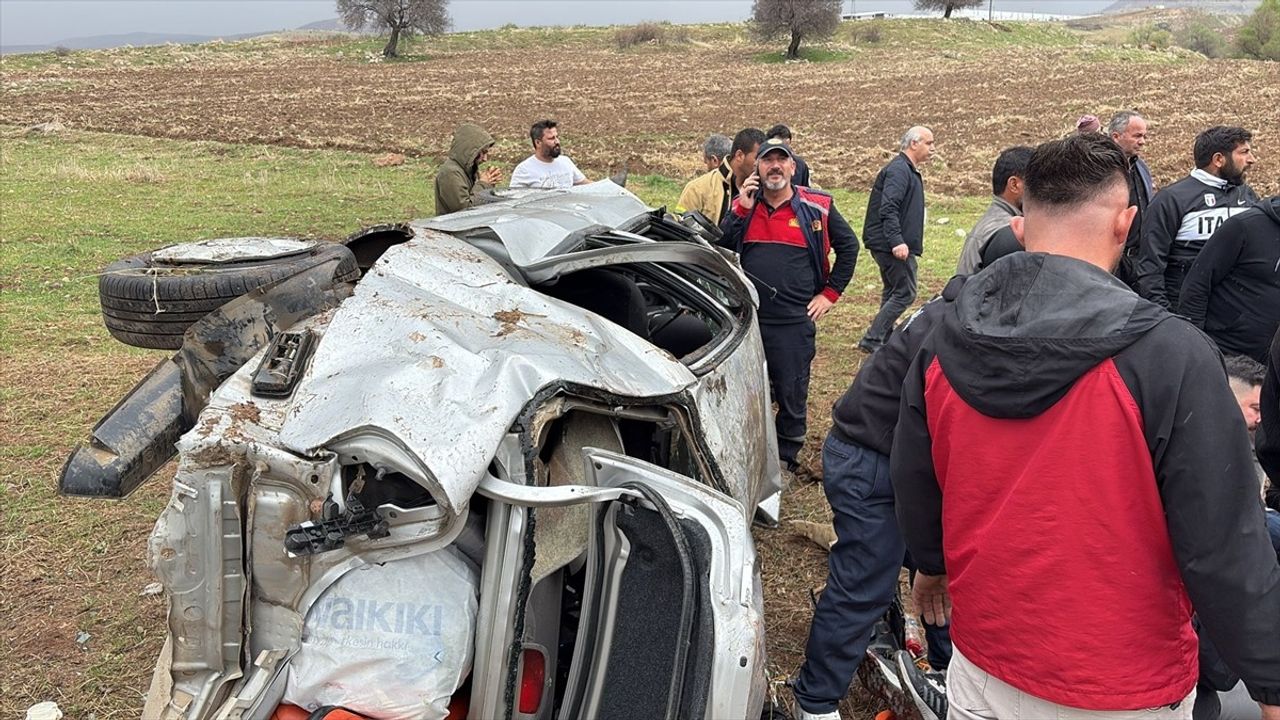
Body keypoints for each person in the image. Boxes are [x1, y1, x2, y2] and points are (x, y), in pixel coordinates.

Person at [891, 134, 1280, 720]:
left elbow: (916, 470)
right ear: (1126, 225)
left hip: (984, 662)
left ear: (1021, 226)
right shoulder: (1169, 356)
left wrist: (930, 561)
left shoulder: (941, 337)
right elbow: (1224, 541)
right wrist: (1270, 678)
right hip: (1120, 682)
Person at [791, 287, 957, 720]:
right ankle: (815, 702)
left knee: (943, 569)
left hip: (902, 456)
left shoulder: (958, 307)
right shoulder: (962, 331)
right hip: (871, 458)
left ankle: (945, 670)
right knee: (865, 584)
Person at [718, 138, 858, 475]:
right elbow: (719, 245)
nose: (775, 166)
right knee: (751, 388)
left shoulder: (818, 206)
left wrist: (829, 294)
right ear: (758, 168)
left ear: (793, 168)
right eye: (768, 161)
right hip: (748, 319)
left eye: (783, 160)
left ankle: (786, 455)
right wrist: (740, 208)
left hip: (794, 320)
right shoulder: (743, 207)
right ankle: (752, 447)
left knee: (792, 388)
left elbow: (849, 247)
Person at [1135, 125, 1258, 309]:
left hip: (1236, 317)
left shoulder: (1246, 195)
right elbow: (1150, 267)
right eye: (1244, 152)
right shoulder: (1171, 200)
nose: (1252, 160)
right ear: (1218, 159)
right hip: (1186, 314)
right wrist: (1166, 318)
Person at [1179, 194, 1280, 364]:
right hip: (1225, 354)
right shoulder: (1244, 226)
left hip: (1272, 362)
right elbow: (1196, 286)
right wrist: (1194, 350)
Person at [859, 126, 934, 353]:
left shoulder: (906, 169)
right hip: (890, 244)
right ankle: (873, 338)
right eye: (929, 143)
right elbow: (888, 208)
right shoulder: (900, 170)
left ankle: (884, 335)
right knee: (905, 291)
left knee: (893, 289)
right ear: (914, 143)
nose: (933, 149)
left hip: (889, 241)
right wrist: (897, 241)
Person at [955, 146, 1033, 274]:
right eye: (1036, 184)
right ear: (1014, 185)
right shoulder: (1007, 232)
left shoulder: (994, 220)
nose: (1042, 192)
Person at [677, 127, 765, 225]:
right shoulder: (697, 189)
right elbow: (679, 230)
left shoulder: (766, 189)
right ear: (739, 155)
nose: (762, 163)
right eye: (758, 158)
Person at [1108, 110, 1156, 285]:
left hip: (1138, 259)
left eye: (1144, 136)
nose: (1142, 142)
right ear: (1116, 136)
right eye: (1137, 136)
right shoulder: (1100, 170)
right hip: (1112, 261)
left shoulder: (1140, 166)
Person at [434, 123, 503, 216]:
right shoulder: (450, 173)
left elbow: (479, 201)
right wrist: (483, 184)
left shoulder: (469, 170)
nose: (485, 159)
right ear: (470, 151)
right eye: (483, 152)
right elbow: (465, 211)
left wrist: (489, 184)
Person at [509, 119, 589, 189]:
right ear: (538, 142)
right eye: (551, 138)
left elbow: (586, 185)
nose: (557, 142)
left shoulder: (565, 162)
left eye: (557, 137)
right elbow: (513, 200)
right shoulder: (524, 170)